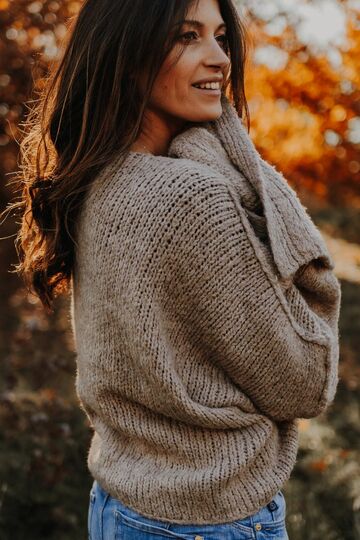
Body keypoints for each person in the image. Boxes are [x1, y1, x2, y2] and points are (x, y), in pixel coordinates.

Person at [9, 0, 341, 538]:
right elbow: (306, 381)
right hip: (208, 522)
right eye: (187, 36)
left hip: (121, 505)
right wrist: (246, 168)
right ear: (129, 53)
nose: (219, 59)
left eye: (221, 38)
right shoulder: (192, 197)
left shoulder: (100, 180)